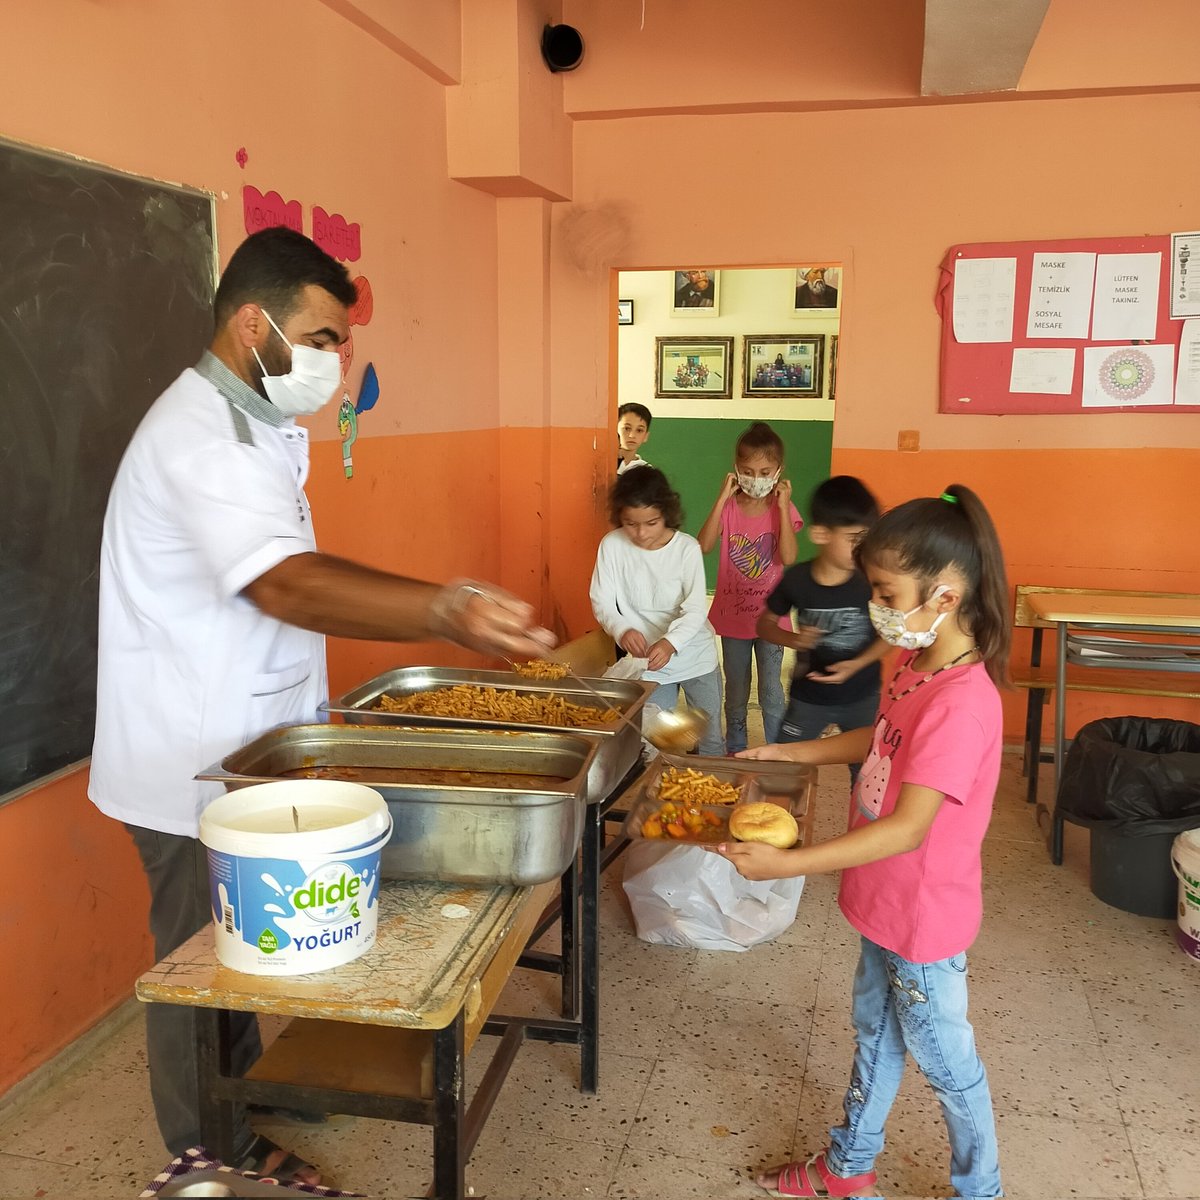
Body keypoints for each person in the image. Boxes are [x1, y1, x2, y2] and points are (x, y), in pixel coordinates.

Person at [88, 227, 555, 1189]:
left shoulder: (257, 423)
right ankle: (206, 1147)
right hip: (185, 758)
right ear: (253, 324)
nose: (336, 359)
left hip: (249, 741)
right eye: (323, 336)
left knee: (245, 941)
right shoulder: (202, 438)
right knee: (197, 966)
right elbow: (285, 585)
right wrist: (442, 610)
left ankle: (256, 1087)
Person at [722, 484, 1009, 1200]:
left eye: (884, 591)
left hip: (920, 921)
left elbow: (909, 827)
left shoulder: (963, 702)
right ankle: (847, 1169)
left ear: (943, 595)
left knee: (948, 1065)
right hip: (884, 906)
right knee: (876, 1038)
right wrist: (792, 755)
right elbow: (878, 738)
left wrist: (789, 863)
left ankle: (984, 1191)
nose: (875, 606)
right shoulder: (917, 668)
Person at [757, 475, 885, 783]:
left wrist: (857, 664)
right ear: (820, 534)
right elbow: (764, 624)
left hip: (862, 697)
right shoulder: (797, 580)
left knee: (870, 777)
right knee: (784, 771)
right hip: (808, 699)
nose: (862, 548)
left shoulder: (872, 580)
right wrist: (795, 639)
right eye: (854, 539)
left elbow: (889, 635)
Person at [590, 466, 724, 756]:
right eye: (630, 523)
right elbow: (602, 600)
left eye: (651, 522)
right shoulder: (611, 546)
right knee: (655, 741)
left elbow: (694, 609)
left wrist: (670, 641)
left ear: (666, 513)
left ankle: (716, 797)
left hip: (697, 659)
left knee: (710, 738)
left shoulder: (686, 549)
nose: (640, 533)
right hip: (649, 665)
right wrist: (622, 629)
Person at [697, 421, 802, 752]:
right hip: (733, 618)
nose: (756, 478)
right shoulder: (728, 507)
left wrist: (783, 507)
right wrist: (720, 497)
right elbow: (704, 544)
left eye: (765, 471)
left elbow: (787, 555)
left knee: (772, 690)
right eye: (748, 470)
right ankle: (737, 748)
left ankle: (776, 749)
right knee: (736, 690)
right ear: (735, 470)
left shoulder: (781, 509)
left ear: (778, 471)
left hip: (771, 620)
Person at [616, 401, 653, 474]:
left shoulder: (647, 471)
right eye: (627, 428)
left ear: (646, 436)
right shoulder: (603, 464)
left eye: (639, 430)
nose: (632, 435)